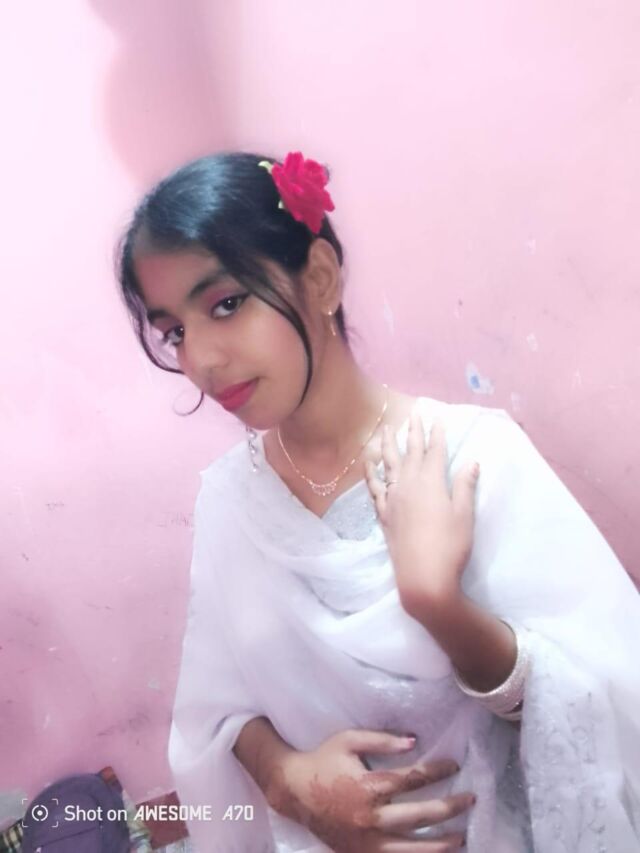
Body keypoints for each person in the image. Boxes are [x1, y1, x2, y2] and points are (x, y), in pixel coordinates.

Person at [115, 150, 640, 852]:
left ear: (320, 277)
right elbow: (219, 708)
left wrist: (439, 606)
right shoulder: (230, 503)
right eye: (175, 331)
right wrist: (287, 781)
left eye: (227, 304)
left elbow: (602, 702)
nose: (201, 360)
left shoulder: (470, 457)